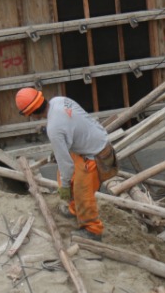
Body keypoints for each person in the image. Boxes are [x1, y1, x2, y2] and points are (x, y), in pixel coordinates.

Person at [16, 87, 118, 242]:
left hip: (95, 155)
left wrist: (64, 186)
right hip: (94, 142)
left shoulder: (54, 129)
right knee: (68, 177)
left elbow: (66, 166)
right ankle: (74, 209)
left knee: (82, 193)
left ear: (31, 114)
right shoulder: (59, 100)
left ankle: (93, 231)